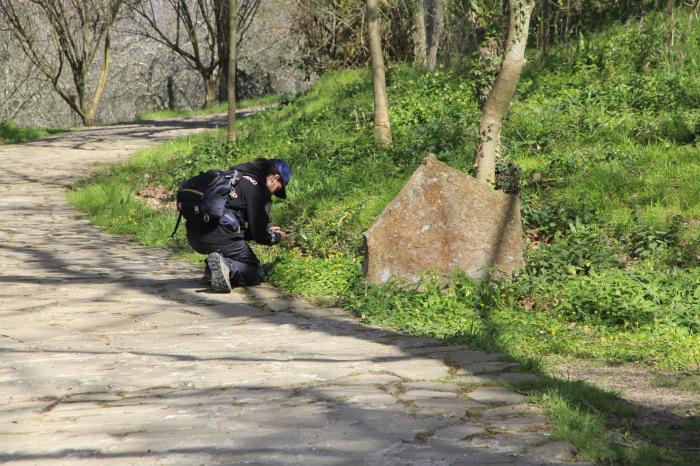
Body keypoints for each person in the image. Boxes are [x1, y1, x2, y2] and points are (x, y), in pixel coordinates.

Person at [186, 158, 291, 292]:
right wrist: (276, 236)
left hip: (195, 237)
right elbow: (259, 236)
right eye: (277, 189)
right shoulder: (255, 188)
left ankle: (213, 270)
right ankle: (228, 269)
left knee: (228, 243)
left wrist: (266, 230)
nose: (273, 194)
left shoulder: (234, 177)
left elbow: (237, 226)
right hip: (221, 238)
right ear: (274, 178)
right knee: (255, 271)